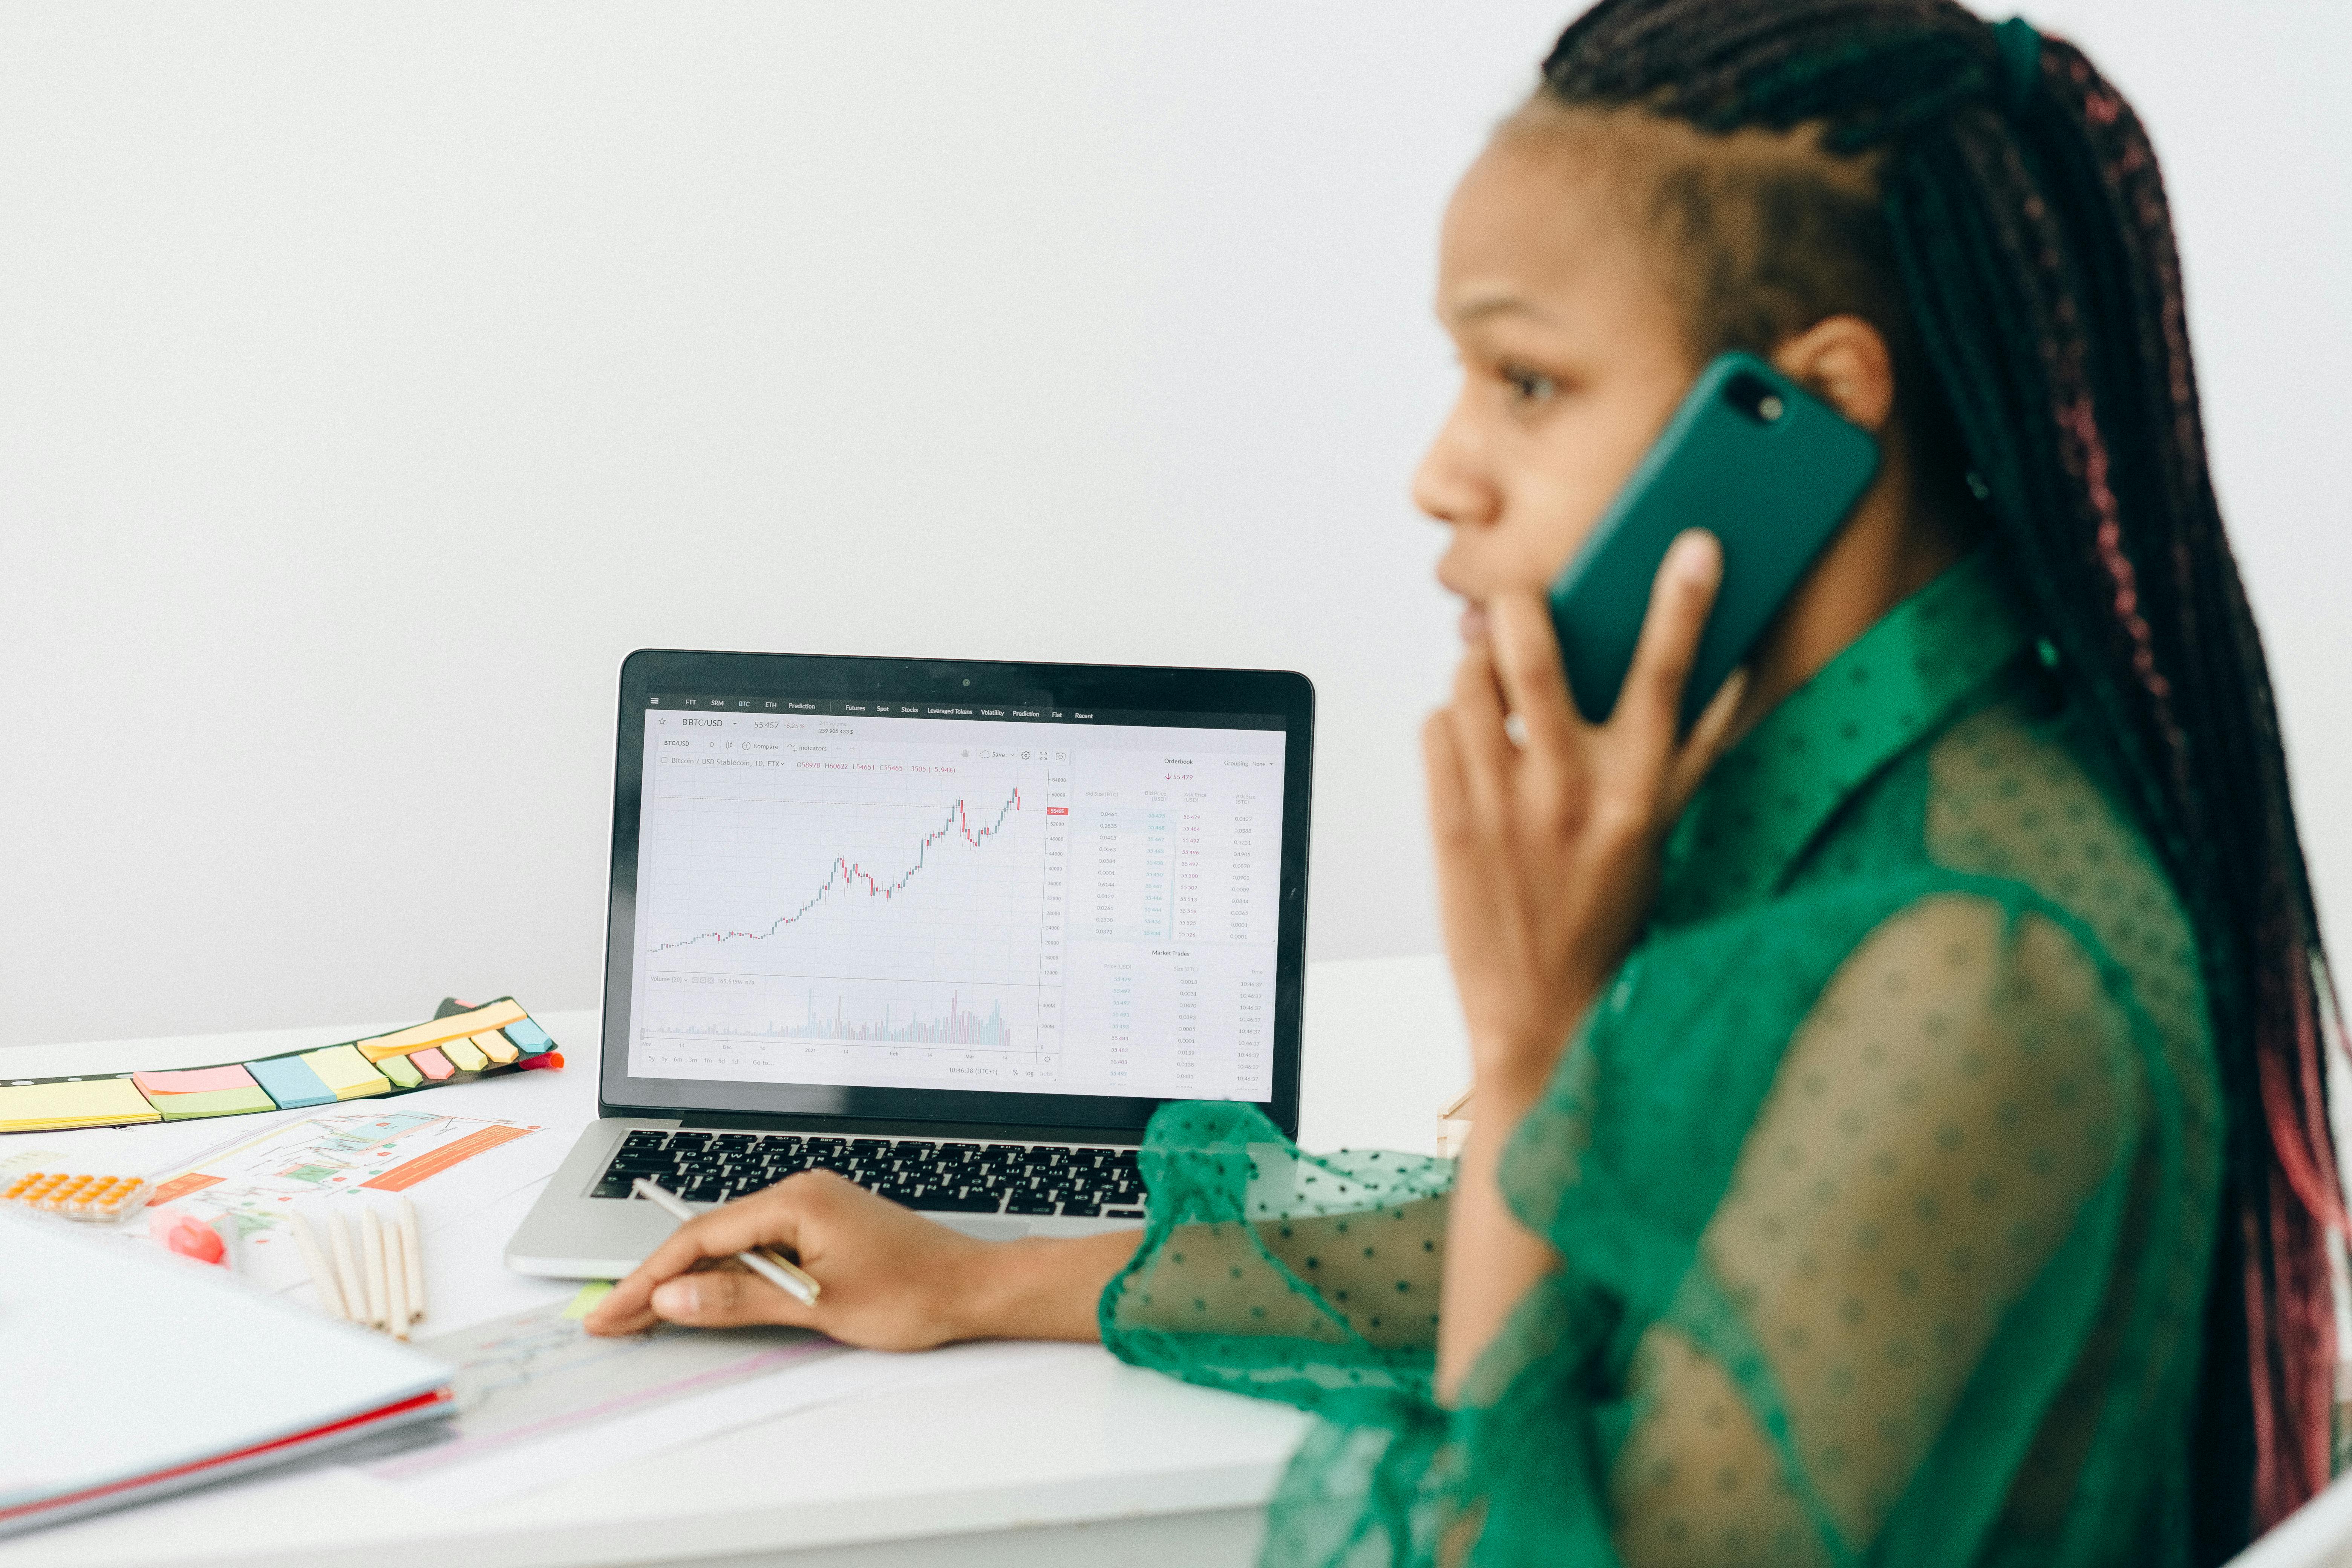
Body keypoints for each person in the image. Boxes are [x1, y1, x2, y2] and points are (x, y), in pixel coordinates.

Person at [588, 2, 2346, 1560]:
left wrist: (1528, 1040)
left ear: (1803, 418)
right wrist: (973, 1277)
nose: (1442, 473)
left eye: (1526, 378)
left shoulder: (1963, 954)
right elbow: (1626, 1237)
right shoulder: (1857, 802)